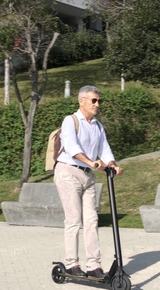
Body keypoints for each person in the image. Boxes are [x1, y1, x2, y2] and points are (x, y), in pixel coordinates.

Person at [54, 85, 124, 278]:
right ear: (81, 101)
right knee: (74, 219)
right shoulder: (71, 120)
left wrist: (112, 164)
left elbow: (105, 149)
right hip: (68, 172)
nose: (97, 104)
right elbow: (71, 147)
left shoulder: (97, 125)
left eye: (98, 101)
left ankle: (94, 266)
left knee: (92, 220)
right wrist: (92, 163)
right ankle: (72, 264)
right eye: (93, 100)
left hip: (88, 175)